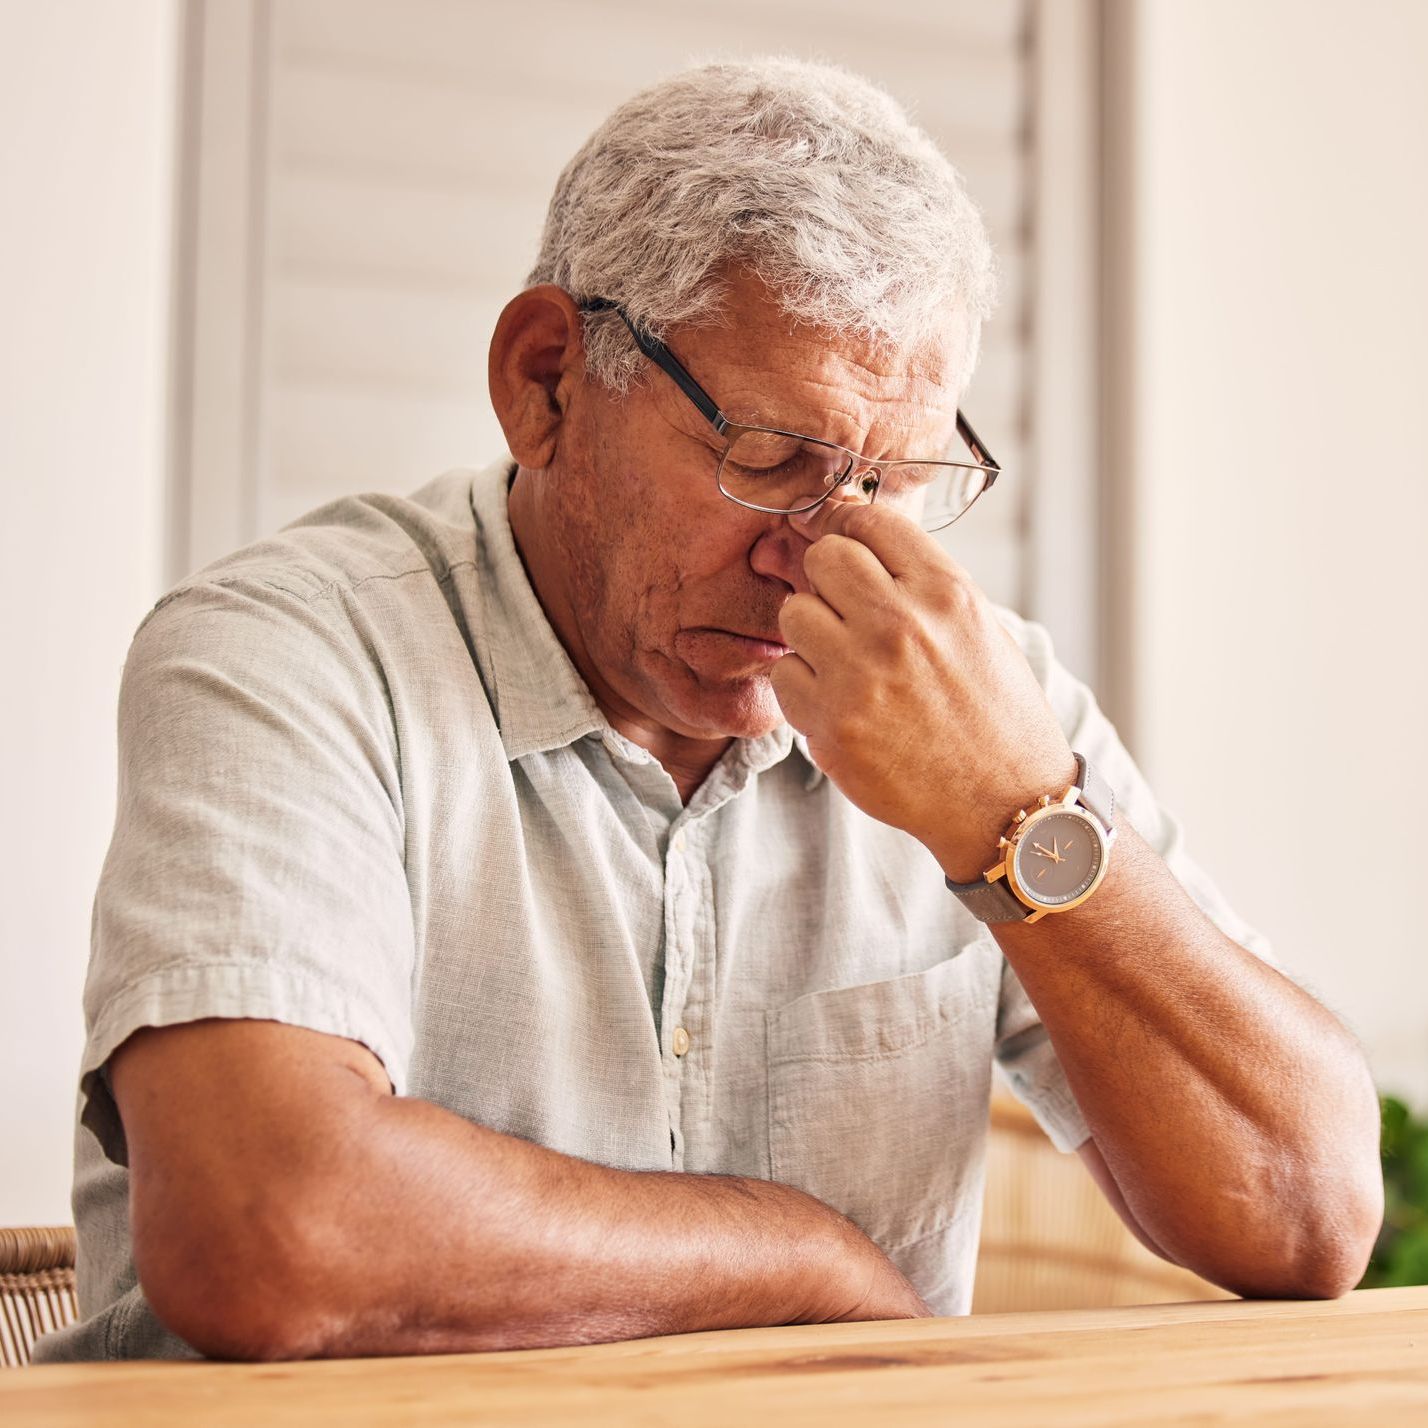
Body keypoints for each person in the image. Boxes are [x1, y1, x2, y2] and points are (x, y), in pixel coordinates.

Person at [34, 57, 1381, 1364]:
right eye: (770, 459)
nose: (828, 556)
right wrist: (798, 1262)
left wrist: (1016, 822)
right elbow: (268, 1225)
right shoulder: (288, 653)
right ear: (546, 380)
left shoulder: (978, 703)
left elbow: (1313, 1217)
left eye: (894, 479)